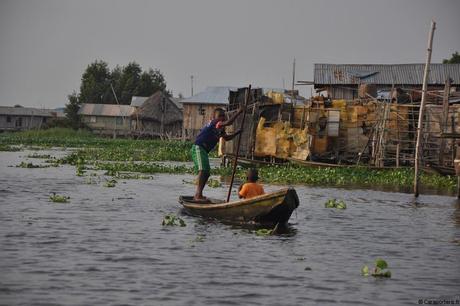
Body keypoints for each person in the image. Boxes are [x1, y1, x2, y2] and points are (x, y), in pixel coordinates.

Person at [192, 107, 244, 201]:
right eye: (220, 116)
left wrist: (237, 133)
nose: (222, 118)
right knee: (203, 170)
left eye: (223, 116)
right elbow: (229, 123)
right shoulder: (214, 123)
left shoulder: (220, 129)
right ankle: (197, 195)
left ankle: (199, 194)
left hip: (203, 150)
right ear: (214, 117)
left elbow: (227, 138)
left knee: (207, 173)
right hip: (198, 148)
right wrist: (239, 112)